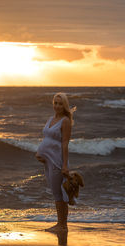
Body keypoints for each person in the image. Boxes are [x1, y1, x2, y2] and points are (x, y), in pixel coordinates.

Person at [36, 92, 76, 233]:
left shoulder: (64, 121)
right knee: (56, 192)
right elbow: (47, 139)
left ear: (64, 105)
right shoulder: (50, 119)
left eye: (60, 103)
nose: (57, 106)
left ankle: (62, 225)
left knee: (59, 193)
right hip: (48, 162)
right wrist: (41, 154)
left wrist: (65, 165)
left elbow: (65, 143)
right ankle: (61, 224)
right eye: (55, 103)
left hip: (57, 161)